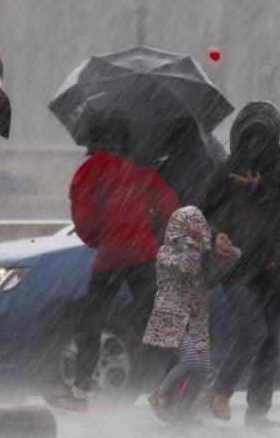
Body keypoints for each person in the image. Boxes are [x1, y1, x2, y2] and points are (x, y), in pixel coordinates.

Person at [45, 117, 180, 412]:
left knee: (91, 324)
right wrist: (145, 228)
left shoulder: (90, 170)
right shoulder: (142, 170)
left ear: (94, 141)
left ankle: (79, 395)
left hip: (112, 256)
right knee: (155, 321)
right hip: (145, 254)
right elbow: (171, 207)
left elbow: (85, 220)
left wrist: (103, 237)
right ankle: (180, 385)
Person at [199, 101, 280, 430]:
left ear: (274, 137)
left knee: (272, 340)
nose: (255, 147)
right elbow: (202, 213)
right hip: (236, 266)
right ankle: (220, 392)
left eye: (262, 139)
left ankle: (258, 412)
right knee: (253, 331)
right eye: (249, 139)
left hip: (274, 265)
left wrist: (263, 190)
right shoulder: (226, 169)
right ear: (239, 137)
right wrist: (216, 235)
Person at [144, 206, 240, 425]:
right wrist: (195, 243)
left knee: (203, 366)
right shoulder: (166, 253)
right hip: (171, 316)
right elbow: (186, 267)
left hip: (195, 318)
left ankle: (183, 409)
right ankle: (161, 395)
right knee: (190, 359)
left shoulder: (200, 256)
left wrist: (225, 253)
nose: (196, 233)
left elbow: (213, 274)